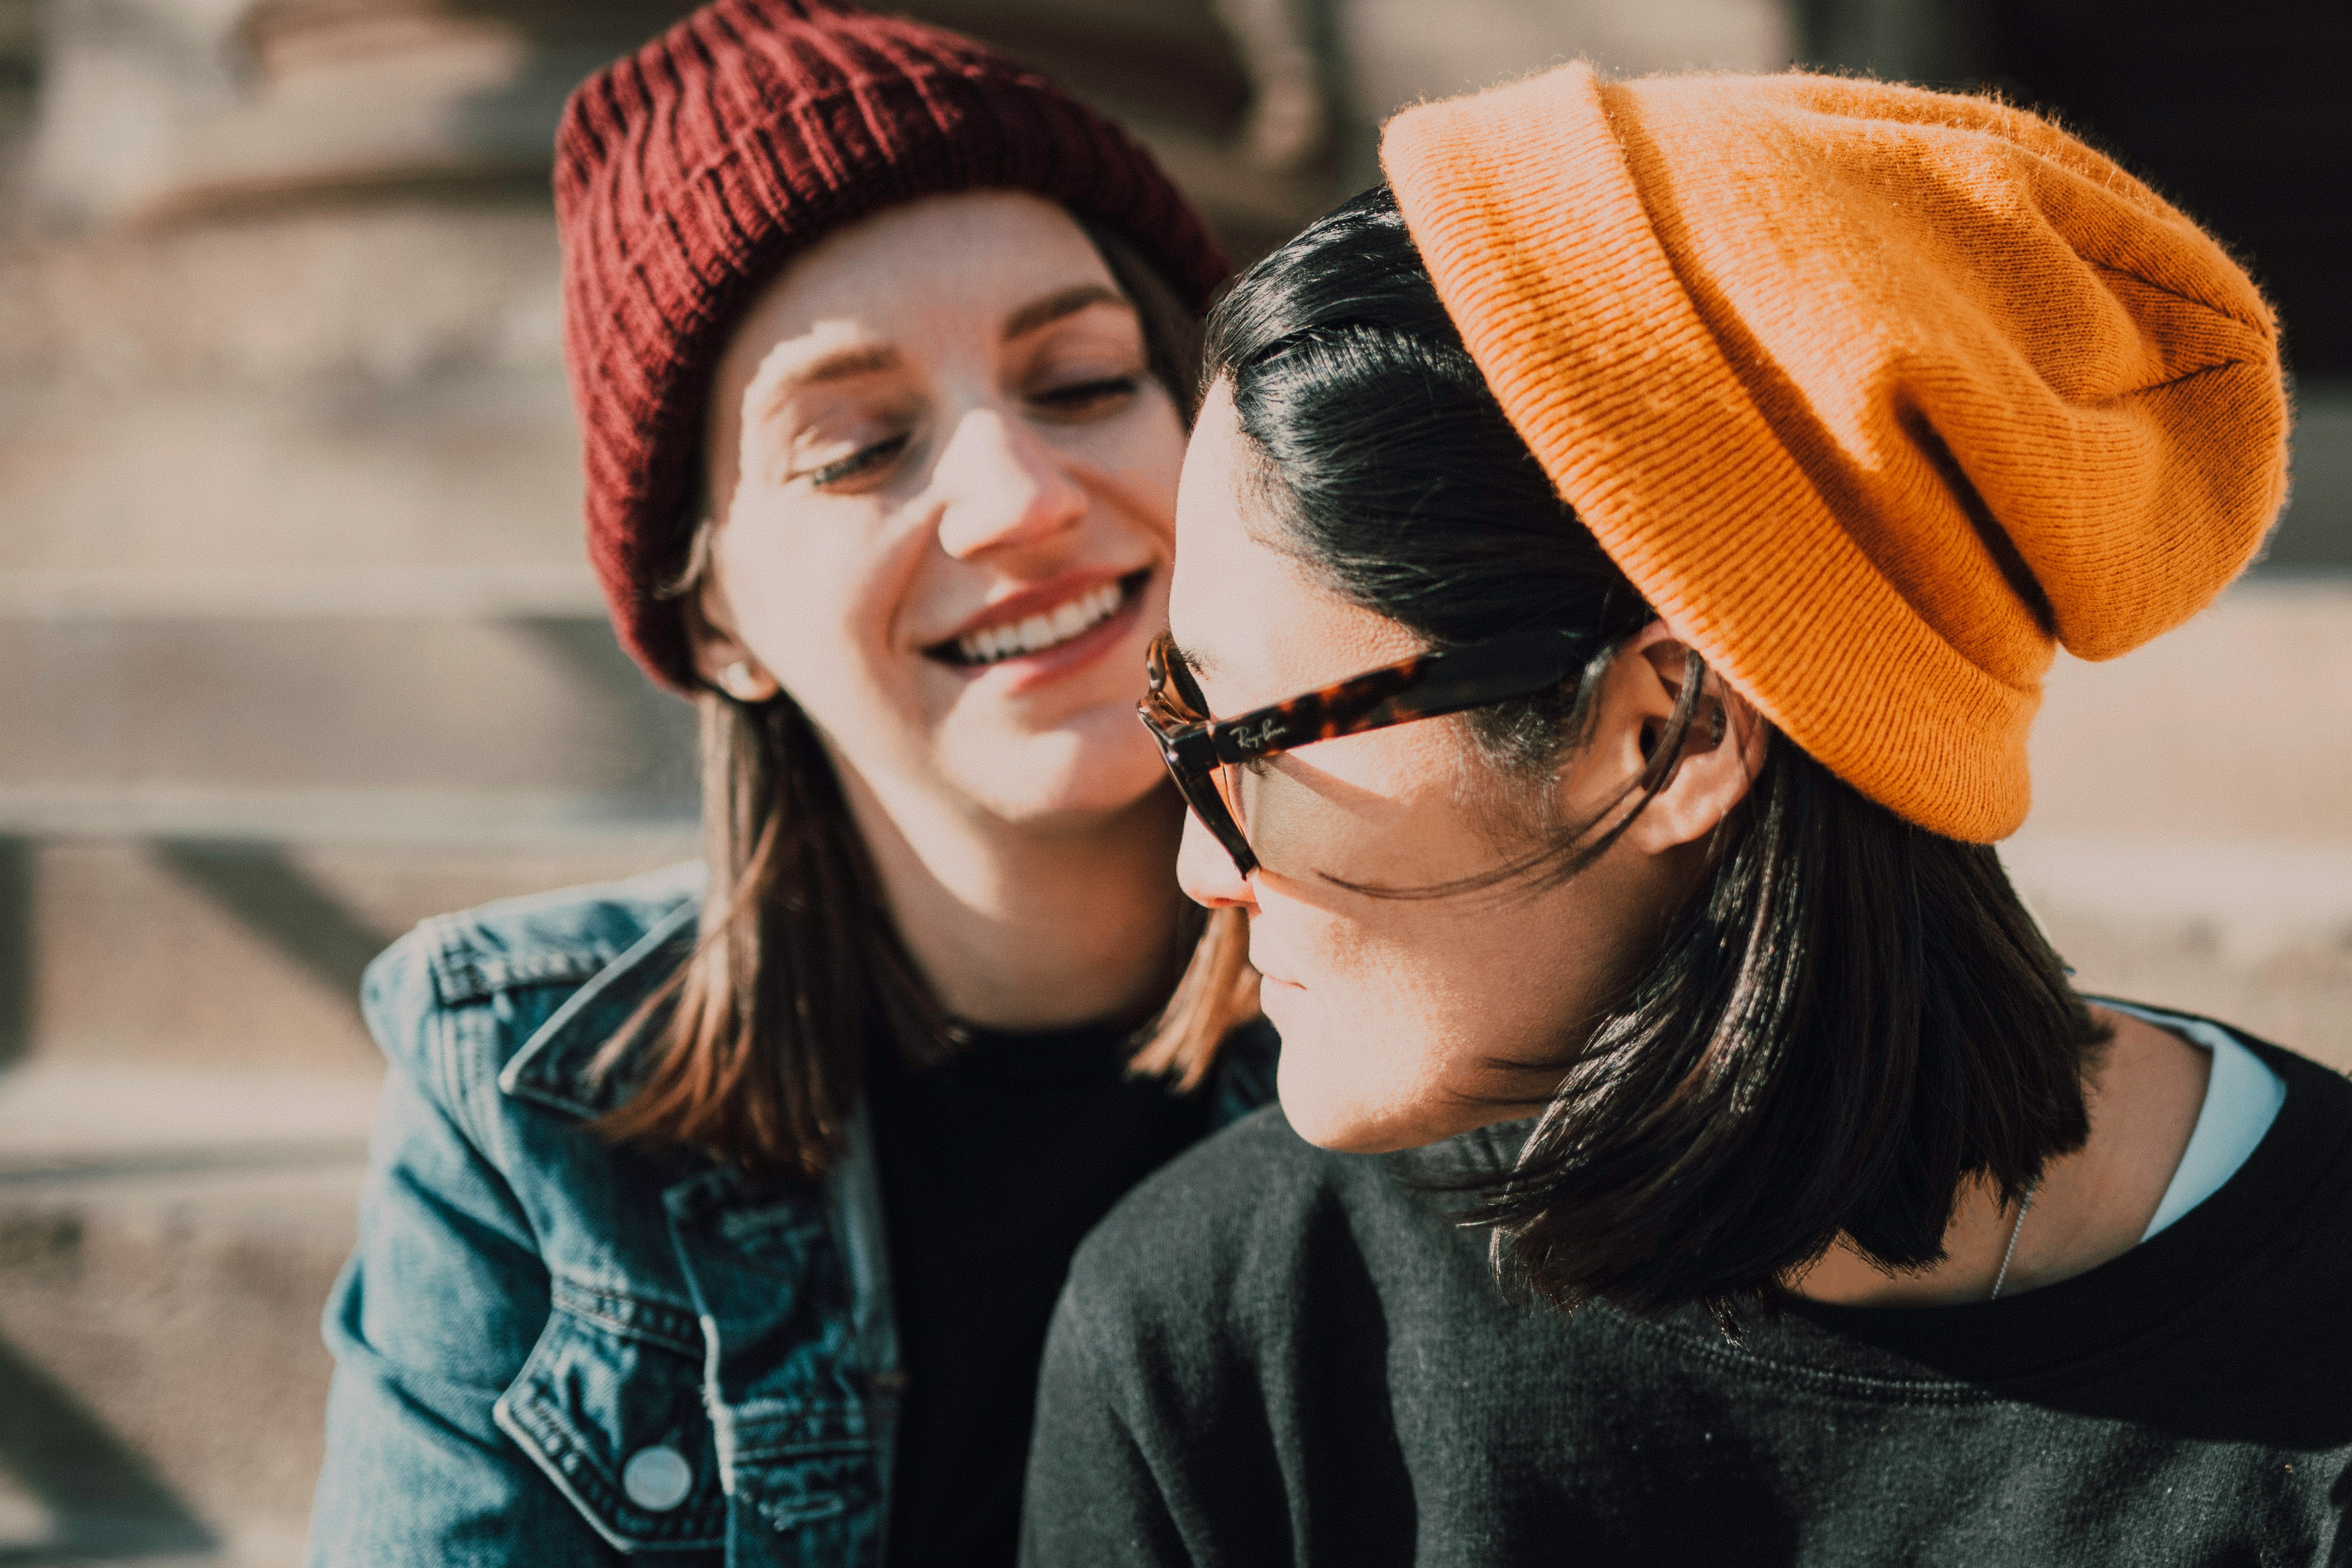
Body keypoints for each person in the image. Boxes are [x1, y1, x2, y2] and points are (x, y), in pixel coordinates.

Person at [1023, 66, 2351, 1565]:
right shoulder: (1238, 1332)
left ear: (1674, 731)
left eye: (1249, 740)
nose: (1204, 863)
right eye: (1178, 716)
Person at [306, 3, 1271, 1563]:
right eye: (858, 445)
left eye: (1085, 379)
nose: (1017, 500)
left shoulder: (1462, 1001)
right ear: (716, 620)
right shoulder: (535, 1110)